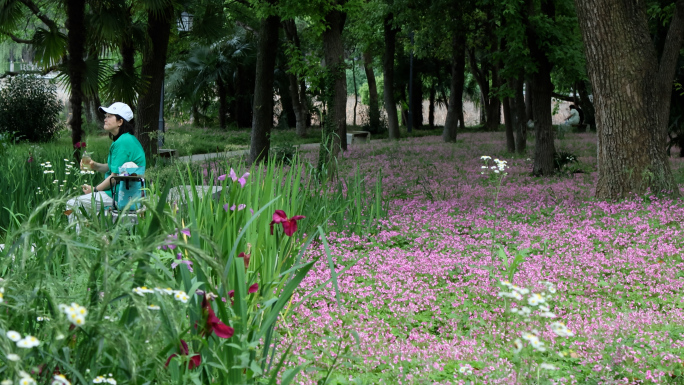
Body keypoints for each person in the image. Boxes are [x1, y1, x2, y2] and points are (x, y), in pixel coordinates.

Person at [66, 102, 146, 230]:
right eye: (106, 116)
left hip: (120, 194)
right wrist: (95, 166)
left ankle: (77, 242)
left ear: (120, 122)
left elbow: (114, 177)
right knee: (86, 206)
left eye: (109, 116)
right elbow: (112, 168)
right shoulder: (125, 139)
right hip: (120, 192)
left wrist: (95, 189)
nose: (105, 118)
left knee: (73, 203)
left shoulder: (123, 142)